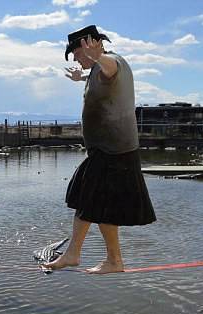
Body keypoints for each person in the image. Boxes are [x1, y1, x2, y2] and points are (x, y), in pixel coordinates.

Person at [44, 25, 156, 274]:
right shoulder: (96, 69)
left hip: (113, 149)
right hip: (108, 149)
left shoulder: (112, 62)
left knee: (87, 198)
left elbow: (110, 68)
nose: (74, 59)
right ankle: (113, 261)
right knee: (103, 207)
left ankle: (74, 254)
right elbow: (100, 73)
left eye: (75, 53)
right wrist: (80, 77)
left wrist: (98, 57)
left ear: (88, 46)